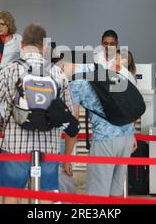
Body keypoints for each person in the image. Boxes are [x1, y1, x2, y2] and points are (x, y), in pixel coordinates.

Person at [0, 23, 77, 204]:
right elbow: (68, 113)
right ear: (45, 46)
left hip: (14, 147)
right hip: (48, 148)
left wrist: (6, 125)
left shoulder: (9, 70)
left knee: (12, 195)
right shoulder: (57, 73)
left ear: (22, 44)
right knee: (45, 196)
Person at [59, 59, 138, 197]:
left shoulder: (74, 84)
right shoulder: (101, 68)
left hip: (105, 140)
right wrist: (133, 133)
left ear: (61, 69)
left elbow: (73, 125)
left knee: (97, 196)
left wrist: (66, 158)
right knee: (115, 192)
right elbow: (122, 101)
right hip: (127, 137)